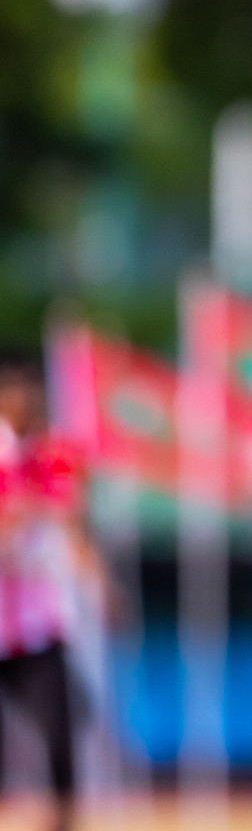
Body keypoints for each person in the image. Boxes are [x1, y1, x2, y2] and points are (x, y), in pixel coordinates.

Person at [0, 356, 100, 831]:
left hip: (38, 622)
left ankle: (65, 818)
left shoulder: (48, 456)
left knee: (60, 724)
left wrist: (90, 571)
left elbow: (70, 518)